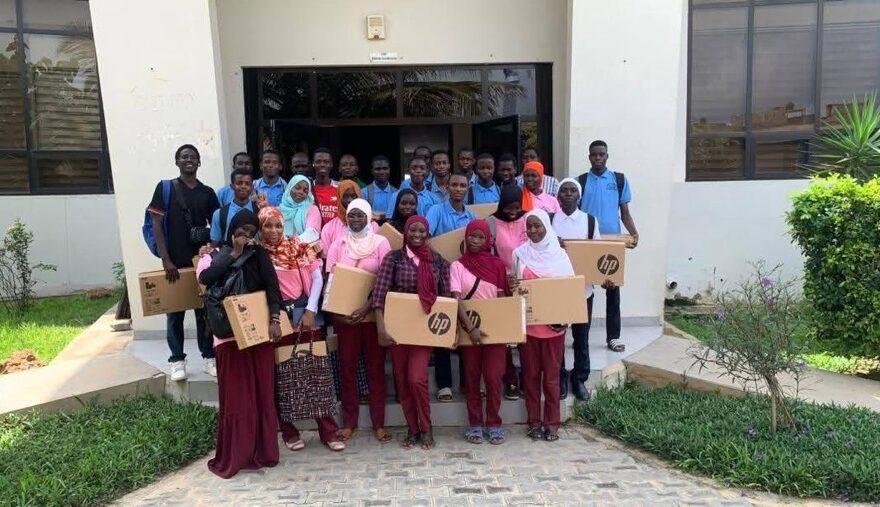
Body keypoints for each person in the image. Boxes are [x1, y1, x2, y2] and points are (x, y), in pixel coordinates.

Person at [196, 209, 281, 477]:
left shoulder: (259, 255)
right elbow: (205, 279)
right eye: (241, 231)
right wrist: (234, 252)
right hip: (228, 338)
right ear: (231, 230)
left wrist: (275, 319)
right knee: (237, 399)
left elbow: (272, 289)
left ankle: (263, 451)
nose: (246, 235)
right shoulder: (212, 256)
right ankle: (237, 453)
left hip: (256, 335)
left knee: (262, 395)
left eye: (251, 231)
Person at [257, 207, 345, 452]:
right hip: (277, 320)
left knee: (317, 374)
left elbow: (317, 278)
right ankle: (289, 432)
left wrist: (311, 310)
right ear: (260, 228)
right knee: (283, 377)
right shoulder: (258, 253)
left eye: (277, 225)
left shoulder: (299, 246)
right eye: (267, 226)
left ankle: (328, 431)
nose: (273, 230)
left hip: (305, 315)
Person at [373, 215, 451, 450]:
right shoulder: (394, 258)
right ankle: (413, 428)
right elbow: (379, 295)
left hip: (423, 330)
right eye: (413, 231)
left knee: (416, 379)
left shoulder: (438, 261)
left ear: (427, 233)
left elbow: (446, 299)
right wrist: (381, 328)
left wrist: (450, 331)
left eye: (421, 231)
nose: (417, 235)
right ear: (406, 233)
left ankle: (426, 427)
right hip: (397, 329)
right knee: (402, 382)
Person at [148, 144, 220, 380]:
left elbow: (217, 224)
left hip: (200, 262)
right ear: (177, 161)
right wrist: (165, 259)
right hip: (175, 263)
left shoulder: (207, 192)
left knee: (204, 312)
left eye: (193, 157)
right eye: (184, 157)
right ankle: (177, 360)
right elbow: (156, 223)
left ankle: (208, 357)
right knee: (175, 313)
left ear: (199, 162)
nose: (189, 160)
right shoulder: (166, 188)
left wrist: (211, 248)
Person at [326, 199, 393, 443]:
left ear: (368, 217)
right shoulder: (338, 244)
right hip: (346, 319)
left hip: (373, 315)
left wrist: (367, 308)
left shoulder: (381, 243)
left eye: (360, 215)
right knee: (348, 369)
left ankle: (379, 423)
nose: (355, 220)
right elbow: (331, 281)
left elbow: (386, 280)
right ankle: (349, 422)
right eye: (351, 215)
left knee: (376, 369)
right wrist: (338, 313)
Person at [510, 209, 574, 442]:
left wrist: (564, 320)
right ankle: (534, 422)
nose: (533, 230)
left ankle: (552, 423)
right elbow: (515, 287)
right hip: (528, 328)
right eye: (529, 226)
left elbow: (569, 291)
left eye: (538, 226)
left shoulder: (560, 256)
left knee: (551, 378)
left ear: (547, 226)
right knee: (530, 377)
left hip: (553, 329)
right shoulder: (519, 254)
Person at [578, 140, 639, 353]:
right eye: (594, 154)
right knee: (583, 290)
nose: (598, 158)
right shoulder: (581, 181)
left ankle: (613, 337)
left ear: (607, 156)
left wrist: (634, 233)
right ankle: (581, 336)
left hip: (612, 243)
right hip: (587, 240)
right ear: (589, 157)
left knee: (613, 289)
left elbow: (625, 213)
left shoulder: (619, 180)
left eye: (601, 154)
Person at [452, 219, 509, 445]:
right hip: (470, 331)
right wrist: (470, 327)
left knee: (494, 378)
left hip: (494, 333)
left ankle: (494, 423)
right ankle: (474, 423)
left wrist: (505, 328)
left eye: (480, 237)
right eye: (472, 236)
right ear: (465, 237)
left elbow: (502, 298)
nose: (475, 240)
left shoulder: (497, 265)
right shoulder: (457, 266)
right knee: (472, 378)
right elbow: (456, 299)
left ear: (488, 240)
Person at [552, 178, 605, 401]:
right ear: (557, 196)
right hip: (557, 290)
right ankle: (560, 376)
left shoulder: (589, 221)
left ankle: (580, 378)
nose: (568, 194)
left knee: (581, 336)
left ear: (579, 195)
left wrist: (605, 278)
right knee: (557, 336)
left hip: (584, 290)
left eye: (573, 190)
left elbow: (598, 255)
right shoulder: (550, 220)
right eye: (564, 190)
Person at [424, 173, 474, 401]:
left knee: (465, 323)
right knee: (442, 325)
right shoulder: (436, 211)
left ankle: (467, 382)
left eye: (462, 185)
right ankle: (444, 383)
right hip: (441, 276)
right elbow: (425, 241)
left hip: (464, 278)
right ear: (448, 188)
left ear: (467, 189)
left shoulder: (471, 216)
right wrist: (443, 260)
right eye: (454, 184)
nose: (458, 189)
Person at [485, 185, 528, 401]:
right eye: (509, 208)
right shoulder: (491, 222)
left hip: (526, 283)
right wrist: (502, 281)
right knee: (505, 335)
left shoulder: (527, 219)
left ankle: (528, 378)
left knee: (525, 333)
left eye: (517, 207)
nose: (513, 212)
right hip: (500, 284)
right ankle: (510, 379)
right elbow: (488, 254)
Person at [321, 180, 377, 255]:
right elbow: (327, 257)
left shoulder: (372, 226)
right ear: (339, 198)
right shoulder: (329, 228)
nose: (350, 200)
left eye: (353, 196)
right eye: (345, 196)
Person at [210, 168, 256, 247]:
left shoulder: (259, 212)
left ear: (252, 187)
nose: (243, 186)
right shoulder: (219, 214)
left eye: (247, 184)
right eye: (239, 183)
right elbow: (215, 244)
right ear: (232, 186)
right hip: (228, 254)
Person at [361, 155, 397, 219]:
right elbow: (362, 214)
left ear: (389, 170)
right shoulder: (364, 193)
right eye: (378, 169)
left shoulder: (396, 193)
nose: (382, 172)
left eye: (385, 168)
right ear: (372, 171)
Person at [312, 148, 340, 226]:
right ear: (313, 164)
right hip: (313, 232)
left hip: (336, 231)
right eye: (318, 162)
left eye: (326, 162)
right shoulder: (307, 188)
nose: (322, 164)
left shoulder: (340, 188)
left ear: (331, 164)